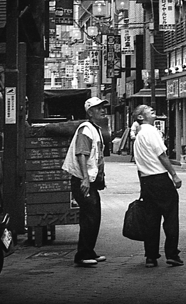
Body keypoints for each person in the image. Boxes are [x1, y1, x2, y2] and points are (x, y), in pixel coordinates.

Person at [132, 104, 183, 268]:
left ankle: (151, 256)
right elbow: (162, 155)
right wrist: (174, 175)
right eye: (148, 110)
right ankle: (172, 253)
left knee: (151, 219)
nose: (153, 111)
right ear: (141, 116)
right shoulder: (150, 131)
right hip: (160, 179)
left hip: (146, 181)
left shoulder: (139, 135)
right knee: (170, 217)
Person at [62, 96, 110, 267]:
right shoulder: (86, 129)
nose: (103, 110)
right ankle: (83, 255)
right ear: (90, 112)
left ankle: (88, 251)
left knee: (92, 216)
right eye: (98, 108)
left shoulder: (94, 128)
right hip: (83, 180)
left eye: (103, 108)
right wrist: (84, 179)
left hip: (89, 180)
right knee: (91, 216)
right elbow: (81, 153)